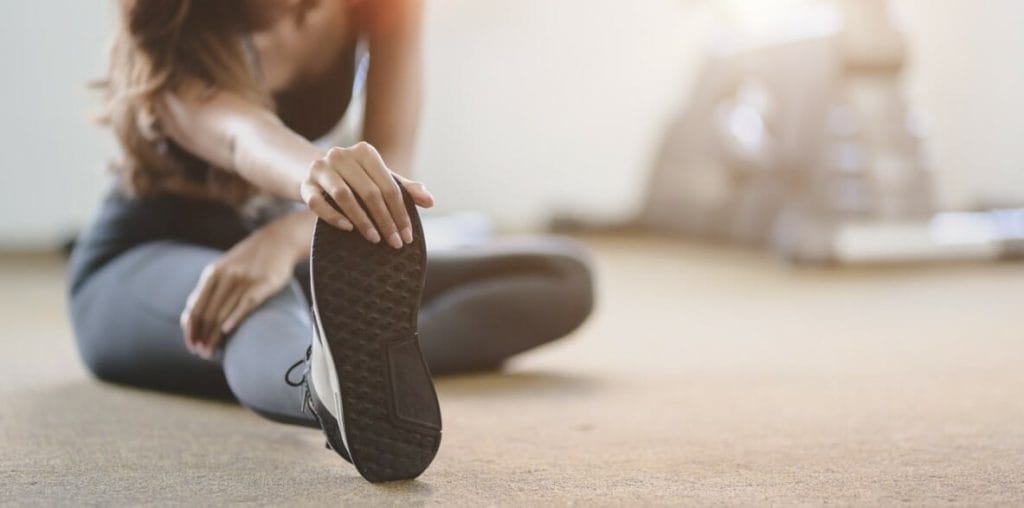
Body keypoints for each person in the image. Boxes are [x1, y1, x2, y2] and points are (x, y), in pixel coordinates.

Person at [67, 0, 594, 481]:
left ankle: (361, 353)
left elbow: (395, 156)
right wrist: (316, 177)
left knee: (563, 275)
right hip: (144, 256)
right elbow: (243, 137)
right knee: (257, 299)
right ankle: (323, 387)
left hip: (277, 241)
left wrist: (282, 241)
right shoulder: (169, 21)